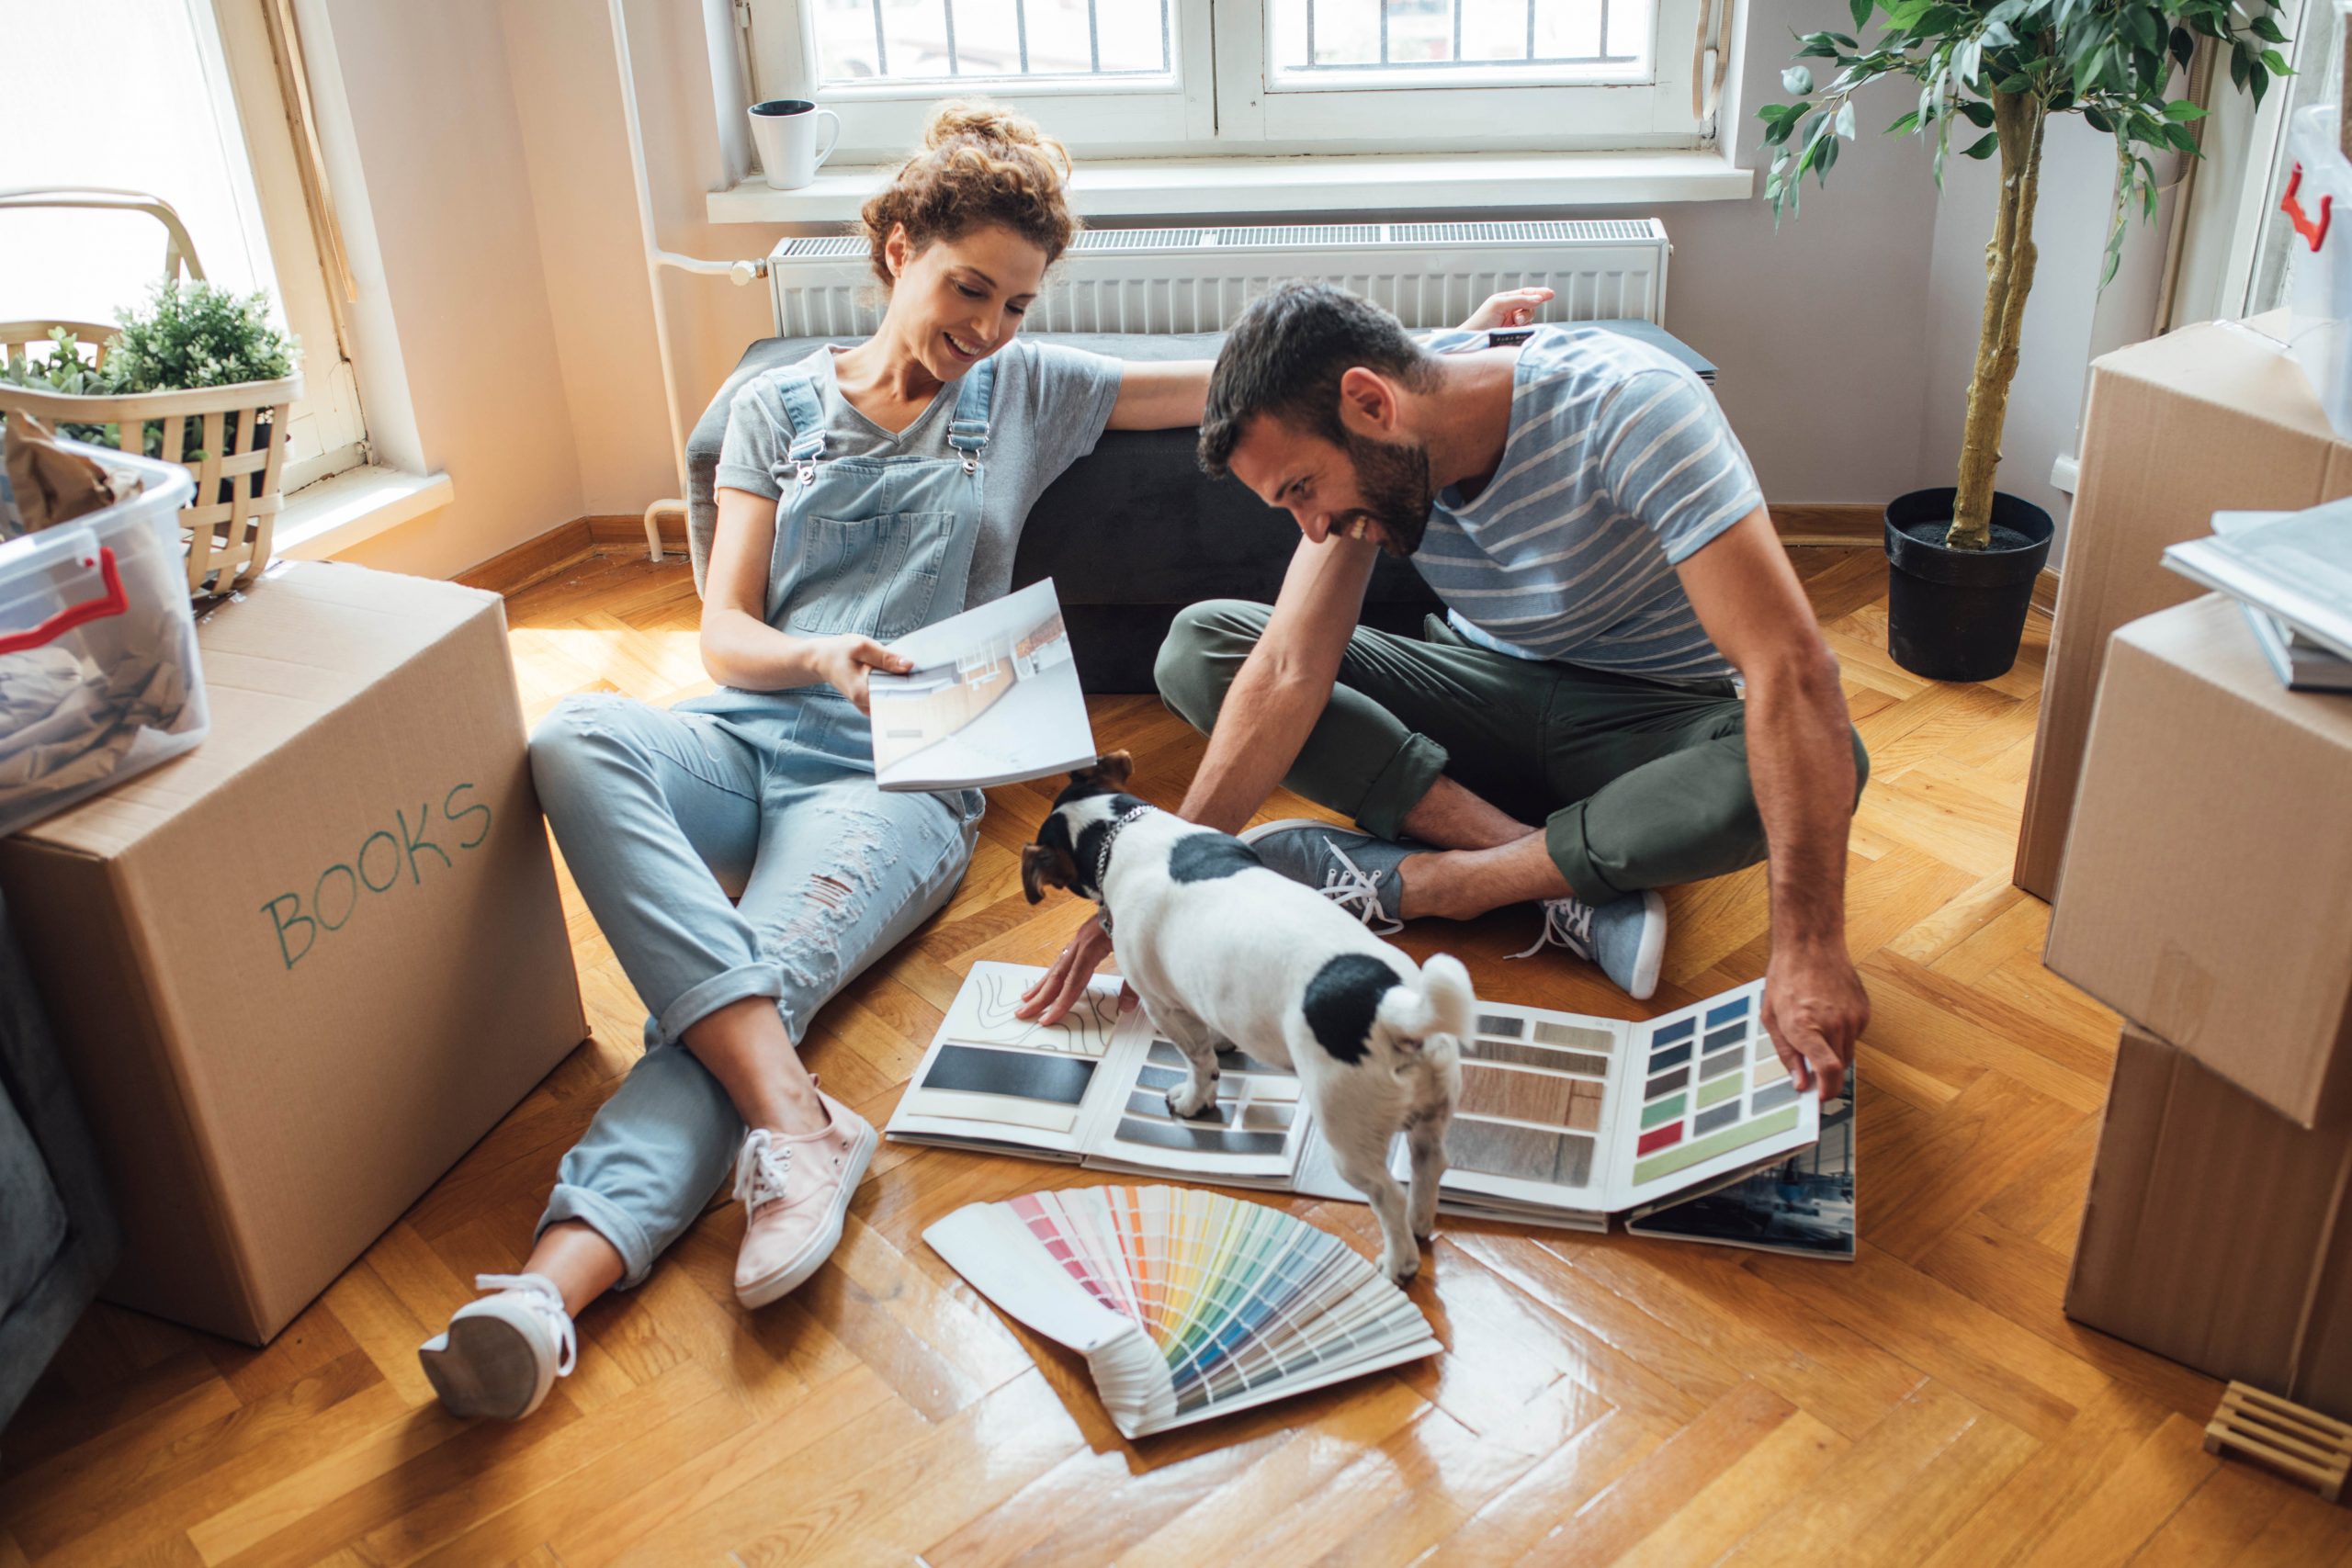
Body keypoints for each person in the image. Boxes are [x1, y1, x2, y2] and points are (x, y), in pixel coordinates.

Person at [417, 107, 1541, 1423]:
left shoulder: (1030, 390)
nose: (991, 324)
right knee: (573, 733)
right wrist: (818, 656)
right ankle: (801, 1120)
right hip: (746, 734)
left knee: (745, 986)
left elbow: (1234, 375)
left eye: (1015, 300)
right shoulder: (775, 410)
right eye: (968, 286)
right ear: (896, 249)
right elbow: (723, 631)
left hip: (897, 786)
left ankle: (547, 1290)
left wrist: (1454, 348)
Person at [1022, 282, 1871, 1106]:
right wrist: (1156, 893)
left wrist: (1810, 945)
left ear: (1371, 404)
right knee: (1201, 645)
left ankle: (1435, 881)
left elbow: (1790, 670)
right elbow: (1287, 669)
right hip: (1480, 700)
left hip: (1649, 720)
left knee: (1803, 768)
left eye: (1302, 490)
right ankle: (1557, 873)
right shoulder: (1380, 461)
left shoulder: (1633, 407)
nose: (1309, 528)